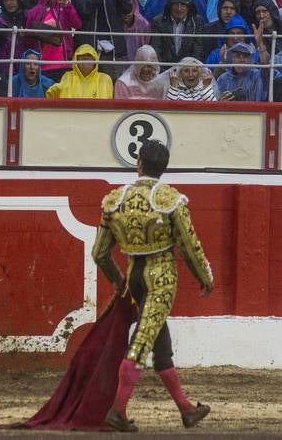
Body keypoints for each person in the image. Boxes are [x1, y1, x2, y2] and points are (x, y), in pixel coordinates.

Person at [91, 140, 213, 432]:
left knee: (161, 345)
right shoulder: (170, 199)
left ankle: (186, 410)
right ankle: (118, 411)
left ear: (139, 164)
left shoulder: (116, 200)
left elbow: (99, 253)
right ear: (164, 167)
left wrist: (119, 281)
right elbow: (189, 246)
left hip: (134, 276)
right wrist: (205, 278)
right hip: (161, 278)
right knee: (142, 342)